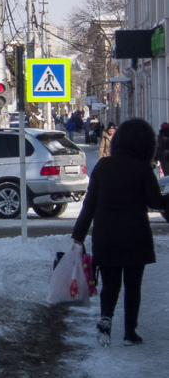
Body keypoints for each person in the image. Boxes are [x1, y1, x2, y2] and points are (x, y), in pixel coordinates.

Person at [72, 118, 169, 346]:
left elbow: (89, 205)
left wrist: (78, 235)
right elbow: (155, 201)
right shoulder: (143, 168)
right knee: (133, 287)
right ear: (145, 144)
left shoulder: (103, 167)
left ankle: (105, 322)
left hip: (106, 237)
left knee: (110, 284)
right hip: (135, 236)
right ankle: (129, 332)